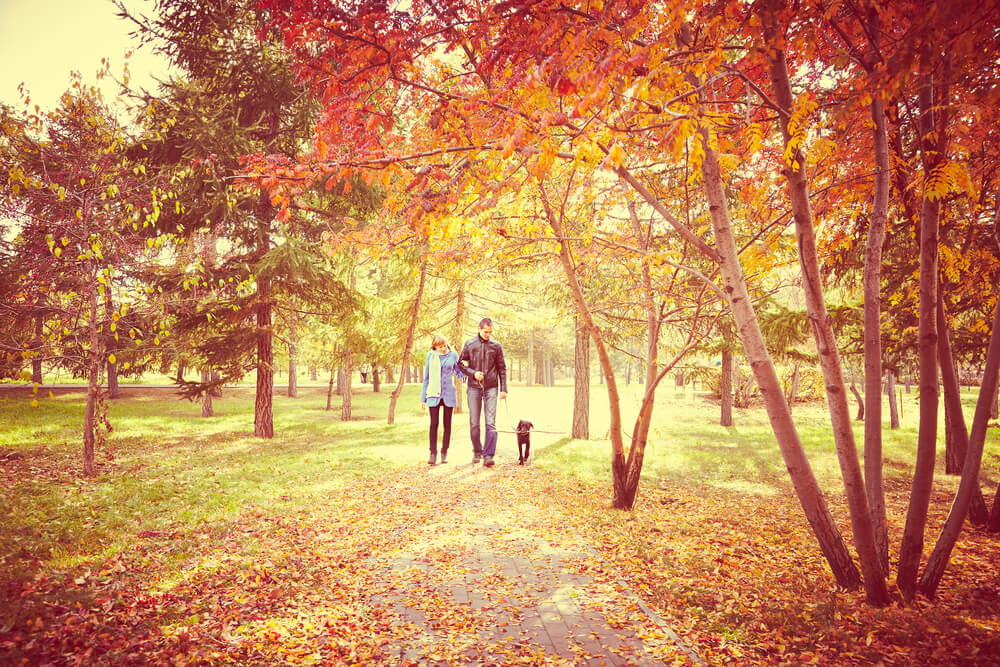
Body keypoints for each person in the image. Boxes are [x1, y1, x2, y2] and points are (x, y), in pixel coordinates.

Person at [459, 317, 508, 467]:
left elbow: (502, 368)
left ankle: (488, 455)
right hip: (474, 387)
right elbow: (460, 364)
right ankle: (477, 451)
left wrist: (504, 388)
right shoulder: (469, 344)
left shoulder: (496, 346)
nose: (488, 334)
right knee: (474, 423)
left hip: (491, 387)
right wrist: (473, 373)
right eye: (485, 331)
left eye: (490, 332)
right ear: (479, 329)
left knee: (490, 422)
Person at [420, 334, 462, 465]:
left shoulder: (453, 355)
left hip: (448, 394)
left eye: (444, 346)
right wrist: (423, 398)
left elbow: (459, 372)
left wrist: (467, 371)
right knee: (434, 424)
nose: (443, 349)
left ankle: (445, 452)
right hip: (434, 394)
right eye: (440, 347)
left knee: (447, 425)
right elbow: (426, 378)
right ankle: (433, 453)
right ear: (435, 347)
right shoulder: (430, 356)